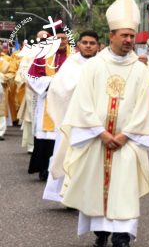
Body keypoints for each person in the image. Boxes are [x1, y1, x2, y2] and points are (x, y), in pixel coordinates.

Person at [60, 0, 149, 247]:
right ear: (112, 35)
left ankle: (122, 236)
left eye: (131, 35)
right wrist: (101, 133)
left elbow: (144, 107)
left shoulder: (139, 69)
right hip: (98, 140)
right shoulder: (94, 66)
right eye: (123, 35)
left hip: (127, 142)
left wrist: (125, 135)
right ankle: (101, 233)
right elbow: (82, 102)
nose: (128, 40)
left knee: (124, 191)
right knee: (97, 188)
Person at [42, 30, 100, 202]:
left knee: (91, 160)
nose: (88, 46)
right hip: (72, 120)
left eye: (92, 43)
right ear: (79, 45)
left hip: (95, 121)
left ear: (97, 46)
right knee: (67, 155)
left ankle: (88, 196)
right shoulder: (71, 63)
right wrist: (80, 87)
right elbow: (58, 89)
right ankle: (66, 194)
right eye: (85, 42)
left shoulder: (103, 64)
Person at [27, 28, 71, 181]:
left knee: (66, 136)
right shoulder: (43, 55)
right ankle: (45, 169)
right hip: (48, 100)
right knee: (48, 136)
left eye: (64, 38)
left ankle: (66, 170)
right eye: (58, 38)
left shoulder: (75, 57)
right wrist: (55, 82)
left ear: (67, 40)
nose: (61, 41)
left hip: (69, 102)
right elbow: (32, 77)